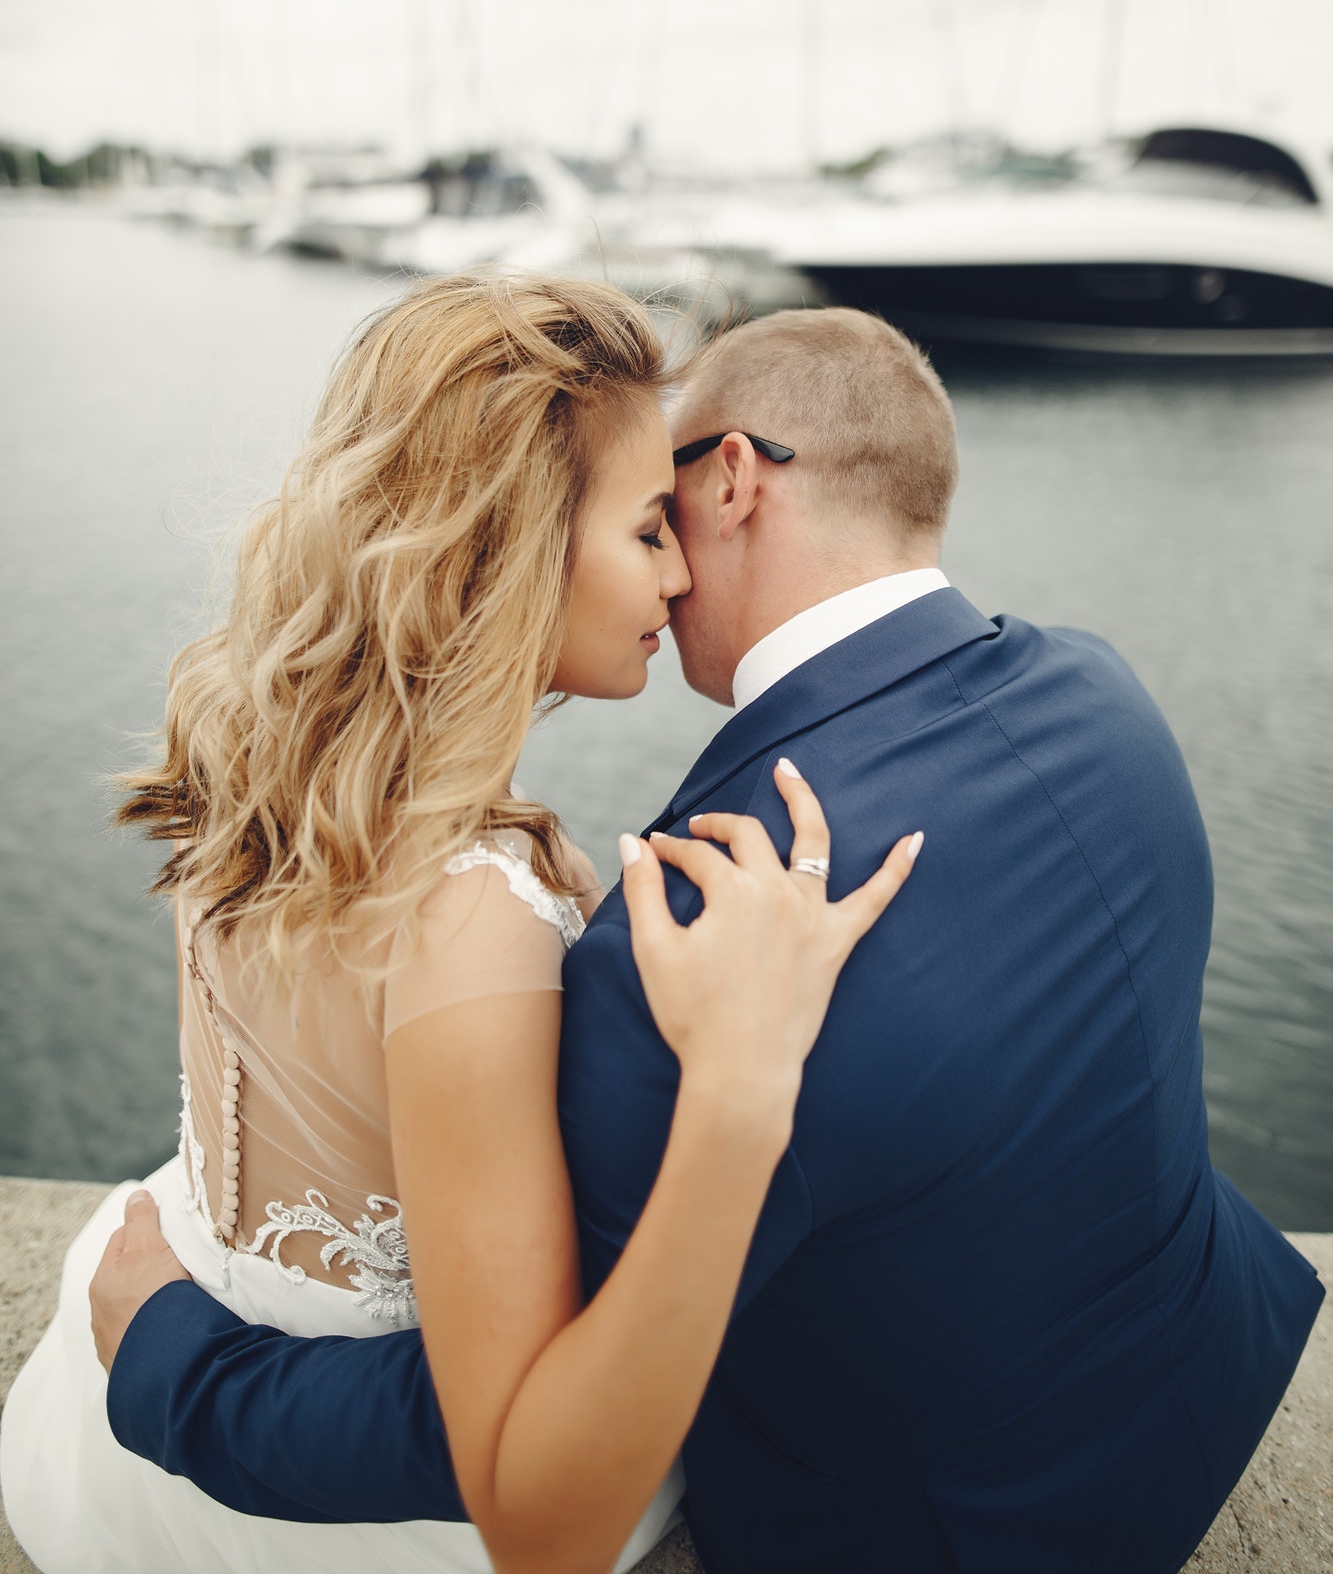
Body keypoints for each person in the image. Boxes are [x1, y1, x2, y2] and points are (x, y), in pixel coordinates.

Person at [63, 307, 1324, 1571]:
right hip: (1196, 1374)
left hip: (936, 1531)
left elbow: (518, 1444)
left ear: (730, 476)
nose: (665, 566)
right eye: (636, 527)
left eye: (661, 509)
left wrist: (174, 1360)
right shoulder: (1103, 693)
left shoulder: (705, 919)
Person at [0, 278, 923, 1574]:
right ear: (517, 543)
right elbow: (535, 1510)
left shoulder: (261, 747)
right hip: (348, 1501)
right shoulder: (470, 924)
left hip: (191, 1304)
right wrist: (736, 1080)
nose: (677, 570)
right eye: (649, 526)